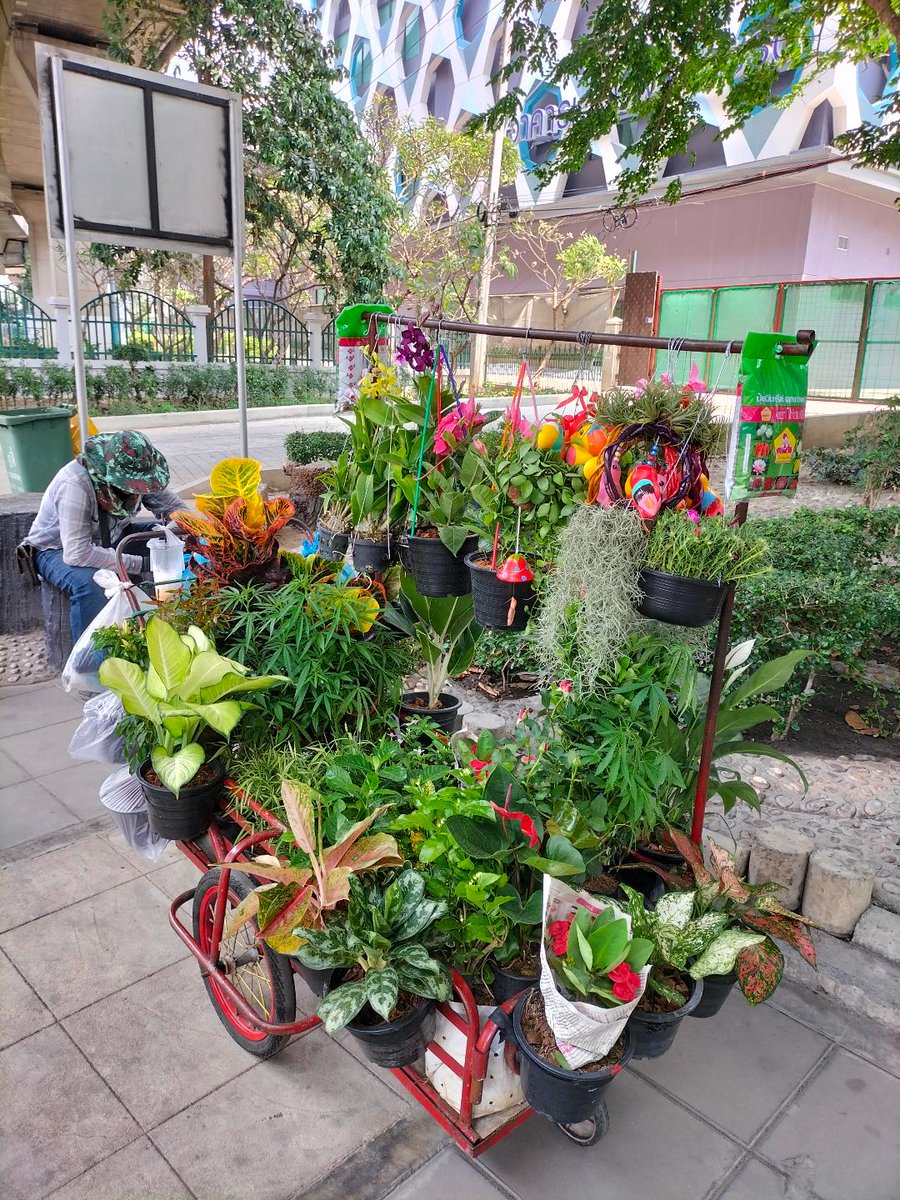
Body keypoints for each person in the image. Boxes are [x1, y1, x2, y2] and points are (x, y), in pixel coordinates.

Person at [25, 430, 183, 642]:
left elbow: (177, 510)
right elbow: (77, 553)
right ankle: (89, 661)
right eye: (131, 486)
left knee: (170, 546)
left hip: (113, 536)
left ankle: (167, 630)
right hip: (55, 550)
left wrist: (173, 535)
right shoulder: (75, 483)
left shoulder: (141, 474)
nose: (138, 491)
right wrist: (141, 563)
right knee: (90, 585)